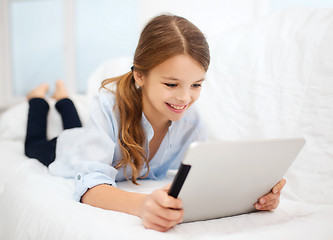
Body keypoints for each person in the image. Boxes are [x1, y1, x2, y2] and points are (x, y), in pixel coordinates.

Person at [25, 14, 286, 232]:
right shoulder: (108, 106)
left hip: (88, 136)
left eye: (196, 85)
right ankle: (39, 99)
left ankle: (62, 98)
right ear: (140, 76)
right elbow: (88, 185)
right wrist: (142, 204)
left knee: (76, 127)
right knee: (39, 143)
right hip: (68, 149)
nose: (185, 98)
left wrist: (257, 195)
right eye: (172, 84)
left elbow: (205, 176)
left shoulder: (192, 122)